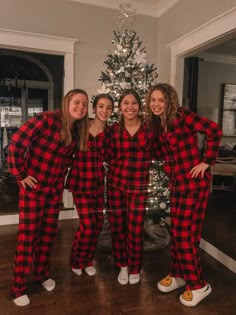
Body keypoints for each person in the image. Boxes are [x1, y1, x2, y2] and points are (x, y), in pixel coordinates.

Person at [7, 88, 89, 306]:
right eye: (77, 102)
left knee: (48, 235)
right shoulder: (47, 120)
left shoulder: (77, 129)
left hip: (54, 192)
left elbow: (68, 160)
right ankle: (18, 287)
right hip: (33, 190)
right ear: (67, 102)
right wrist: (20, 174)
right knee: (28, 237)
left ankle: (41, 274)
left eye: (84, 104)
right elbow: (16, 142)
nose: (81, 107)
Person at [145, 83, 222, 306]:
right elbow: (160, 153)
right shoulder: (159, 124)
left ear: (169, 100)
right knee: (182, 232)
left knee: (183, 235)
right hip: (177, 185)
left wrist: (207, 162)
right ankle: (179, 274)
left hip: (194, 185)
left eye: (160, 100)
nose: (156, 104)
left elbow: (214, 130)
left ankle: (198, 285)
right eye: (153, 100)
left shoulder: (182, 116)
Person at [105, 89, 153, 285]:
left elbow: (159, 150)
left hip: (139, 186)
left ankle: (135, 266)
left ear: (139, 106)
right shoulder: (113, 130)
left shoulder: (149, 129)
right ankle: (122, 265)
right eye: (126, 103)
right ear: (120, 107)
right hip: (116, 185)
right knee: (117, 227)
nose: (130, 107)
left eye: (134, 103)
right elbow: (106, 155)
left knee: (135, 229)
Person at [65, 93, 114, 276]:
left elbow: (110, 156)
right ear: (94, 108)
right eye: (101, 106)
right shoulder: (80, 126)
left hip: (98, 183)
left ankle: (88, 260)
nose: (105, 110)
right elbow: (67, 148)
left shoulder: (110, 132)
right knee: (87, 225)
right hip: (80, 183)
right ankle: (76, 260)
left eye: (109, 107)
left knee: (98, 224)